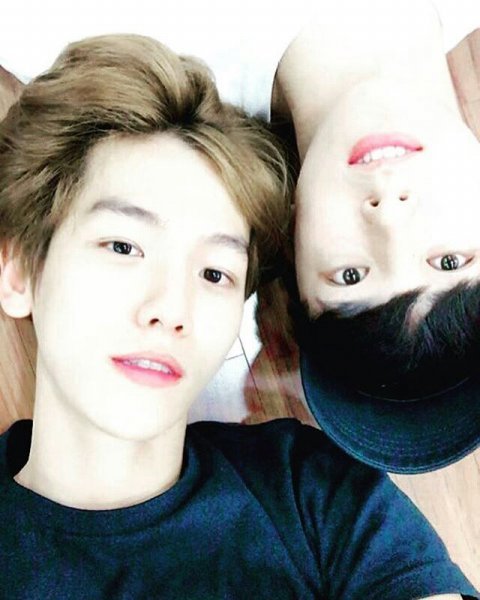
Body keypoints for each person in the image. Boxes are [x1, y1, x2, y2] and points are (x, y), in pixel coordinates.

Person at [0, 32, 478, 599]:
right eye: (124, 247)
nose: (170, 310)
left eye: (214, 274)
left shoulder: (314, 494)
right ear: (20, 272)